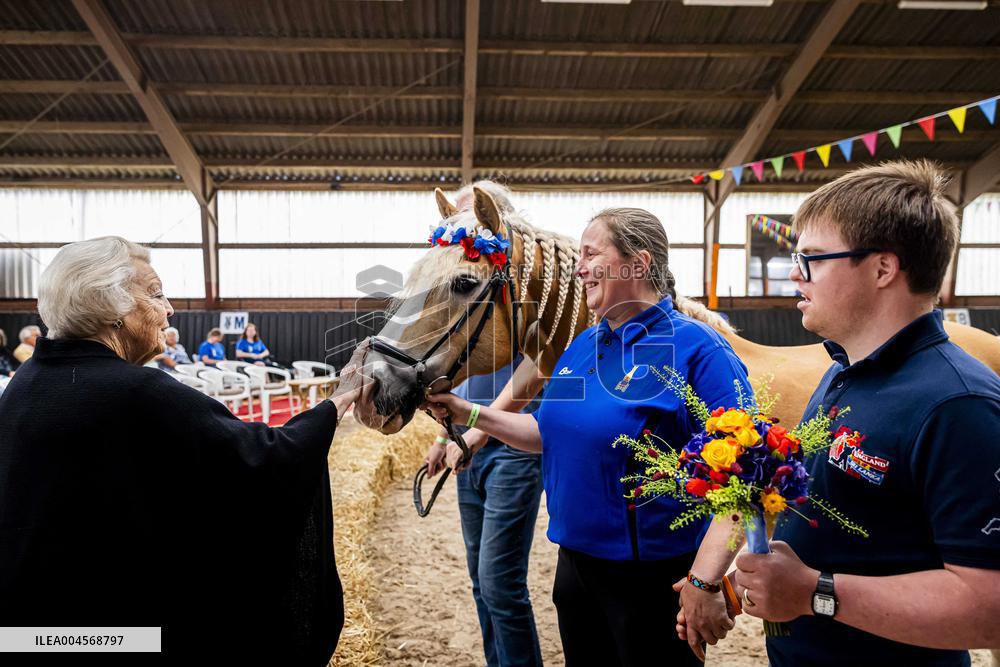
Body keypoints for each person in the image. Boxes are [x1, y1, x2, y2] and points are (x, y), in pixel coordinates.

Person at [0, 236, 368, 664]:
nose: (169, 309)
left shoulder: (26, 385)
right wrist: (336, 403)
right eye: (156, 294)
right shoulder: (139, 392)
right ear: (111, 308)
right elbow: (264, 459)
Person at [688, 161, 1000, 666]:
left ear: (882, 268)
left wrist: (816, 593)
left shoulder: (958, 405)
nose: (794, 273)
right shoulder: (843, 370)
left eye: (812, 258)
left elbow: (990, 607)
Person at [427, 207, 751, 667]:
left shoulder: (700, 350)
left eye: (590, 253)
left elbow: (745, 480)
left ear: (637, 264)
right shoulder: (583, 345)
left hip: (651, 580)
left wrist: (705, 581)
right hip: (575, 570)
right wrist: (469, 413)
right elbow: (546, 431)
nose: (578, 267)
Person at [424, 358, 544, 667]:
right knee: (481, 581)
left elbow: (539, 363)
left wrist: (483, 429)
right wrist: (444, 436)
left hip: (511, 447)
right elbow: (466, 378)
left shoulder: (522, 309)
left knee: (499, 583)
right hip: (467, 443)